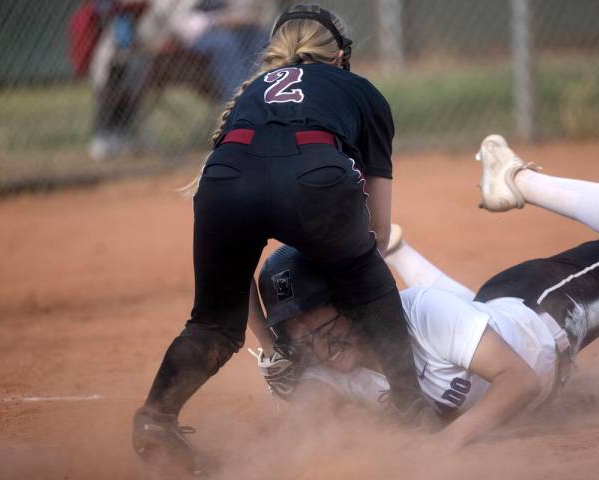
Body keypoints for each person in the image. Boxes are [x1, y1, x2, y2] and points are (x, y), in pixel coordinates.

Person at [132, 4, 435, 474]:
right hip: (314, 176)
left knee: (212, 324)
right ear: (338, 55)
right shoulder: (360, 89)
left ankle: (156, 416)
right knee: (368, 276)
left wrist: (274, 348)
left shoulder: (250, 91)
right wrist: (344, 266)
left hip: (225, 183)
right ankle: (413, 411)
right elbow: (377, 226)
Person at [255, 134, 599, 446]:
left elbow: (520, 382)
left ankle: (518, 181)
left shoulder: (421, 315)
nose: (323, 348)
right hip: (483, 313)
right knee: (465, 323)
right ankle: (399, 250)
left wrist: (446, 447)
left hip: (546, 308)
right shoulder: (325, 369)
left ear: (354, 303)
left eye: (327, 327)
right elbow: (302, 430)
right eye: (305, 337)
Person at [87, 0, 274, 160]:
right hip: (185, 38)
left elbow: (254, 12)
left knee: (258, 38)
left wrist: (220, 19)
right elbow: (166, 19)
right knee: (224, 44)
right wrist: (202, 22)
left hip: (228, 29)